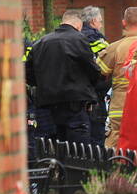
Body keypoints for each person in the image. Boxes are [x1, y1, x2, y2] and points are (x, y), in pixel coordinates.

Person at [24, 9, 106, 146]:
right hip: (75, 104)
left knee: (57, 148)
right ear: (79, 25)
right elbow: (92, 70)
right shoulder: (79, 39)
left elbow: (28, 73)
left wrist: (44, 84)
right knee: (79, 151)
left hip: (48, 106)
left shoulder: (40, 42)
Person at [98, 7, 137, 148]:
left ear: (123, 23)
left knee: (115, 143)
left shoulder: (115, 48)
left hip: (120, 107)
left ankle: (116, 169)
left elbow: (100, 71)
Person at [81, 6, 110, 146]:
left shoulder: (77, 36)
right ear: (93, 21)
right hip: (96, 94)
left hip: (79, 94)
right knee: (97, 137)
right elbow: (108, 62)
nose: (101, 24)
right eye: (100, 21)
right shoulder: (97, 39)